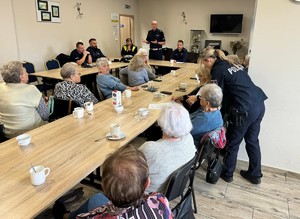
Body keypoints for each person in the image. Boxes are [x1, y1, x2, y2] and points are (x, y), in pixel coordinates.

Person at [199, 48, 268, 184]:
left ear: (208, 60)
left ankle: (227, 173)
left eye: (204, 63)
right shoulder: (230, 63)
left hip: (244, 109)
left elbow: (214, 95)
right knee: (253, 140)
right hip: (258, 104)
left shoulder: (218, 69)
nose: (205, 66)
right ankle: (255, 174)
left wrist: (198, 100)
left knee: (233, 142)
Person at [52, 145, 173, 219]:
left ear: (104, 186)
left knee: (96, 199)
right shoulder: (160, 200)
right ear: (147, 183)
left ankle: (64, 216)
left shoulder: (95, 216)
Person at [139, 102, 196, 193]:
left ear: (162, 123)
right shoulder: (189, 138)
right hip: (173, 190)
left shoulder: (151, 148)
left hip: (148, 195)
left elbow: (131, 171)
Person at [0, 61, 49, 138]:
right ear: (21, 77)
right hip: (32, 132)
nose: (27, 74)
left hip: (7, 134)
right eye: (25, 72)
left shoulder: (1, 87)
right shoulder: (31, 89)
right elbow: (45, 115)